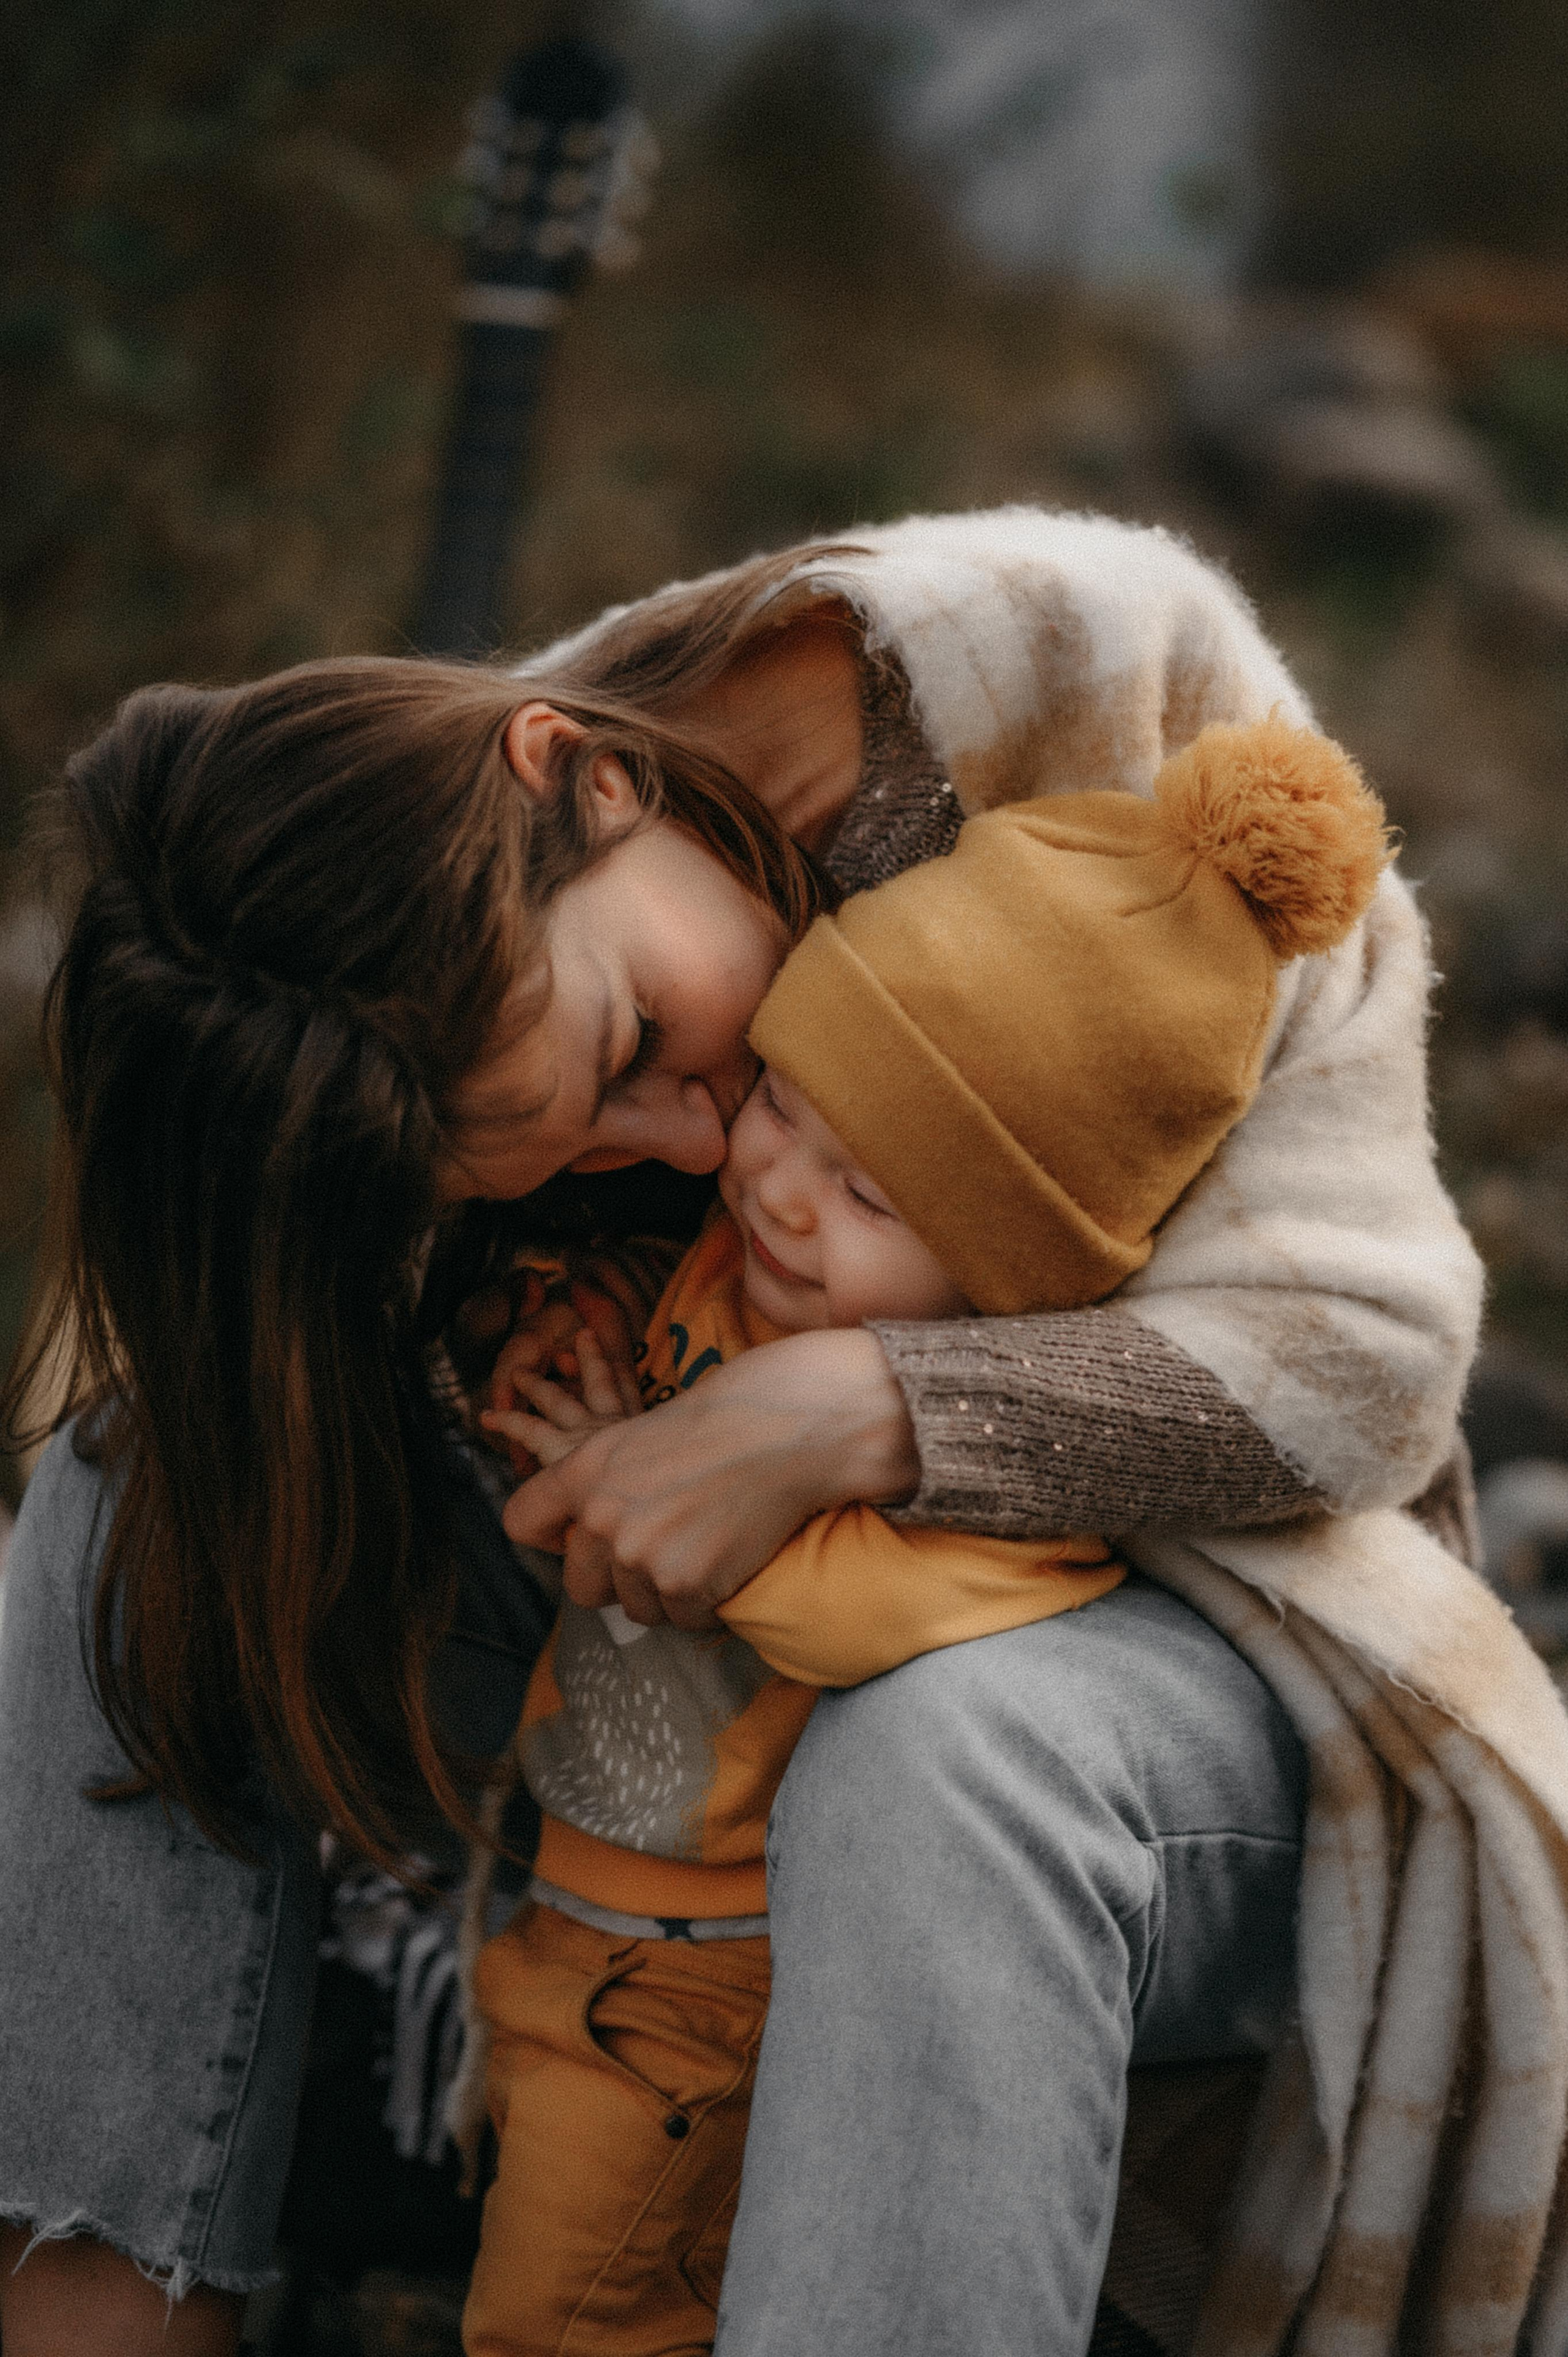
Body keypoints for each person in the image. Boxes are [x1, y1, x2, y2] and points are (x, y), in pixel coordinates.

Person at [0, 509, 1540, 2357]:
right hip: (660, 1691)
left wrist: (859, 1409)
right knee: (134, 1493)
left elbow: (1373, 1363)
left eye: (641, 1039)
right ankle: (106, 2317)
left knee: (945, 1736)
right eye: (576, 1153)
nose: (688, 1141)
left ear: (563, 771)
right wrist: (510, 1362)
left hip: (1147, 1697)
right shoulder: (394, 946)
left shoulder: (1082, 674)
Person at [460, 716, 1389, 2357]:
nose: (783, 1194)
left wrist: (659, 1477)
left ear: (1009, 1294)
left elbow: (877, 1633)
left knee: (569, 2324)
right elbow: (669, 1308)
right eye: (791, 1108)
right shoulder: (755, 1264)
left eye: (876, 1196)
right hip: (568, 1922)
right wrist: (565, 1316)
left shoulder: (961, 1497)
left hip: (700, 1995)